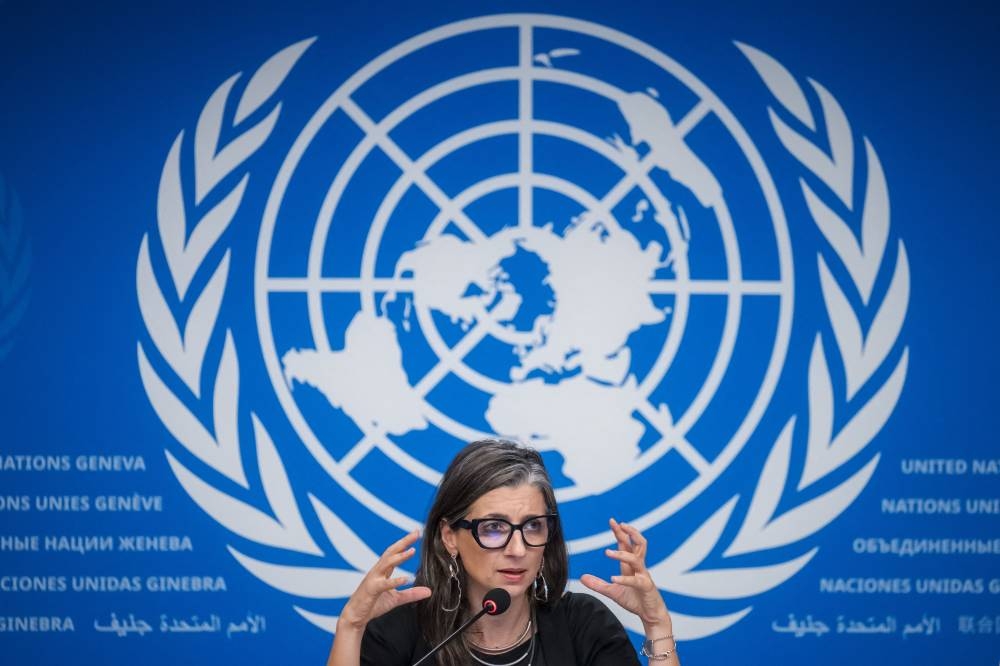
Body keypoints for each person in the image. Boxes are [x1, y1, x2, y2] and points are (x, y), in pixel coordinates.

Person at [326, 439, 680, 665]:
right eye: (493, 528)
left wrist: (656, 623)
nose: (517, 549)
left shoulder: (581, 624)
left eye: (532, 526)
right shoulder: (403, 629)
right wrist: (351, 626)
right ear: (450, 537)